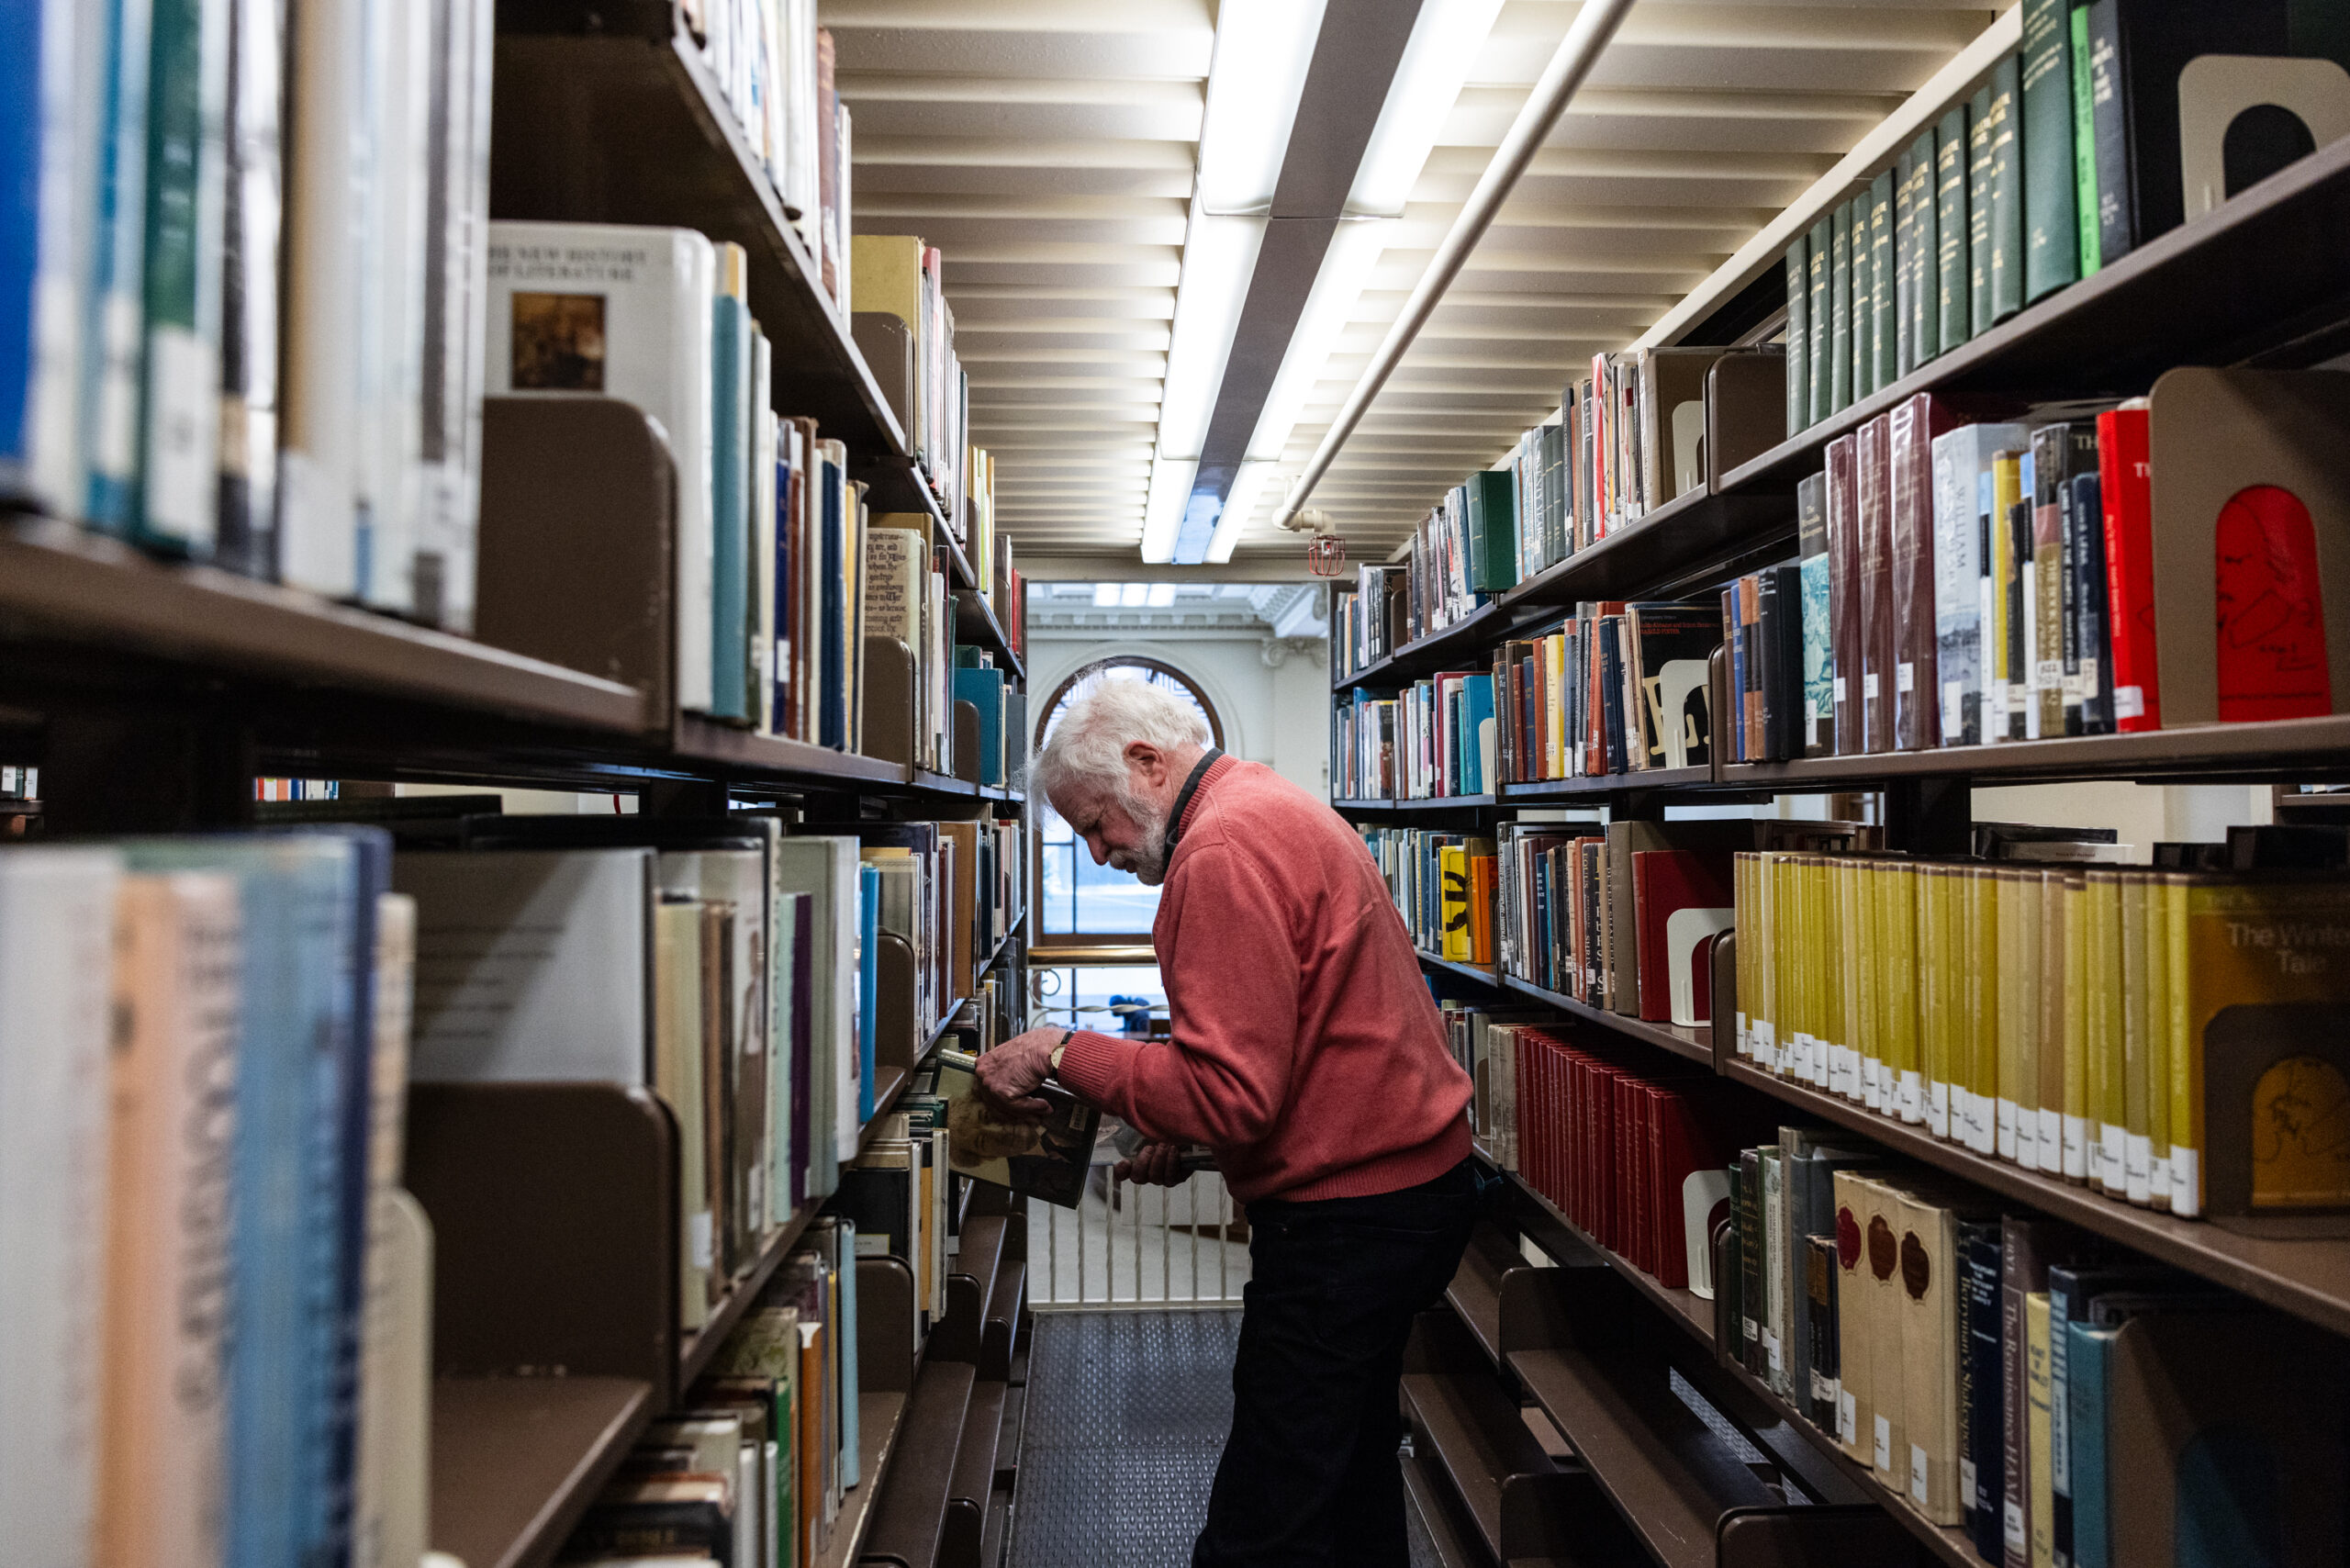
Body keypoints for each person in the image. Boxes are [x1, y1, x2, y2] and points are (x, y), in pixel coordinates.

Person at [976, 677, 1477, 1568]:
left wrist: (1061, 1050)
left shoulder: (1220, 854)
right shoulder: (1268, 802)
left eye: (1097, 825)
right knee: (1350, 1470)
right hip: (1409, 1188)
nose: (1098, 855)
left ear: (1147, 763)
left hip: (1347, 1223)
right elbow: (1291, 1047)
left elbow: (1232, 1092)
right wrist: (1192, 1122)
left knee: (1266, 1513)